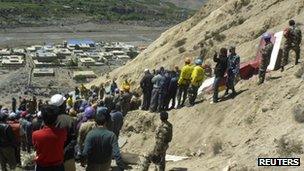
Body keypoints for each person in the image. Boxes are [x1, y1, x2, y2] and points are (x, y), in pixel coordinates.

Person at [82, 107, 126, 171]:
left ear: (96, 123)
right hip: (106, 164)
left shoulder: (90, 134)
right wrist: (121, 166)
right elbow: (116, 153)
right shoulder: (111, 135)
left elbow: (85, 152)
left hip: (93, 164)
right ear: (105, 122)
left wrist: (82, 160)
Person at [32, 105, 67, 171]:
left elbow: (36, 148)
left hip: (42, 166)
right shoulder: (63, 132)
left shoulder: (36, 134)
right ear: (56, 118)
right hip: (58, 166)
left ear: (43, 118)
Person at [50, 94, 77, 171]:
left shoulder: (47, 119)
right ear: (62, 106)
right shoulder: (69, 120)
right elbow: (73, 140)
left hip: (52, 158)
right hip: (67, 158)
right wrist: (63, 152)